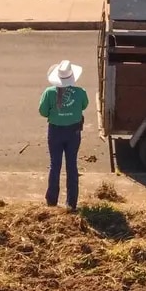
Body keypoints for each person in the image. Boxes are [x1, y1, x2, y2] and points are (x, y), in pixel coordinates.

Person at [39, 60, 89, 209]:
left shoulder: (49, 93)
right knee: (72, 165)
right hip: (73, 132)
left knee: (55, 164)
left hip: (55, 131)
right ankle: (71, 202)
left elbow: (42, 111)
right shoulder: (80, 92)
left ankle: (52, 200)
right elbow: (84, 105)